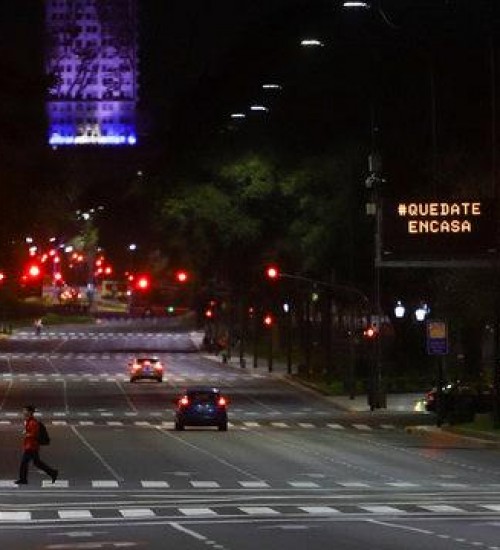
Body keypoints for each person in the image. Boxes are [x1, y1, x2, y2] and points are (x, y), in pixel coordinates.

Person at [15, 405, 58, 485]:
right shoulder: (29, 421)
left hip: (31, 446)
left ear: (30, 412)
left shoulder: (33, 422)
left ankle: (23, 479)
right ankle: (52, 472)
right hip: (30, 445)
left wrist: (27, 434)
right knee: (37, 462)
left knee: (24, 462)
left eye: (25, 411)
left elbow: (34, 434)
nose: (23, 412)